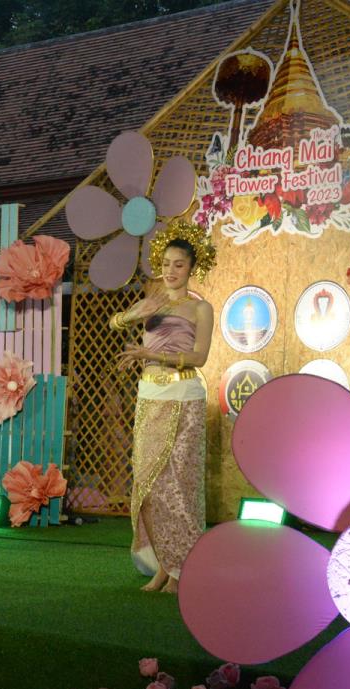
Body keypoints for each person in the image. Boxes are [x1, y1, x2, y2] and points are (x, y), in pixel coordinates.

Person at [111, 219, 215, 594]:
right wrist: (132, 317)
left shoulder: (201, 309)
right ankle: (161, 567)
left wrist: (152, 355)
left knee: (179, 487)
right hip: (150, 397)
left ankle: (181, 570)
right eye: (167, 264)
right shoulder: (152, 304)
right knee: (147, 488)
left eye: (179, 265)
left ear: (191, 268)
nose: (171, 271)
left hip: (184, 398)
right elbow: (114, 322)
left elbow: (200, 358)